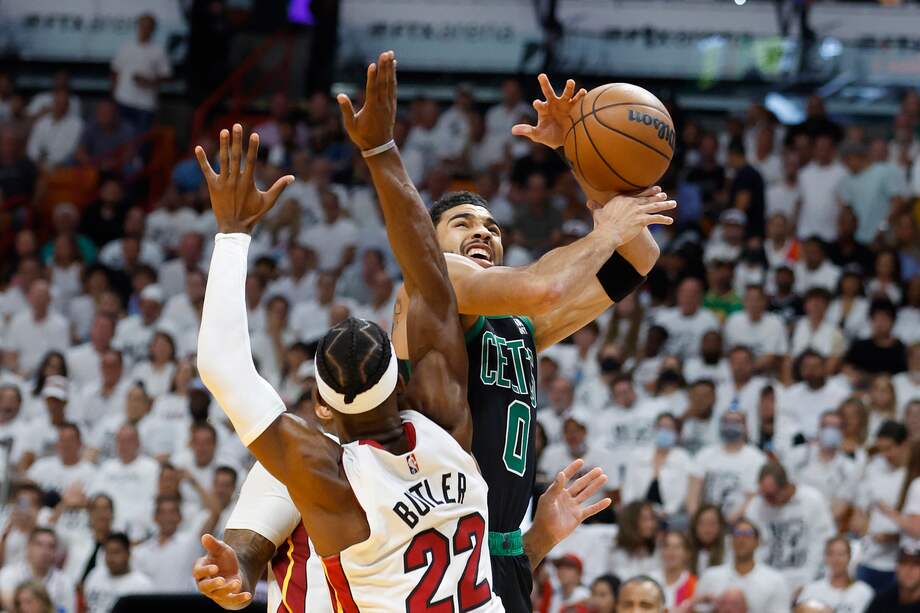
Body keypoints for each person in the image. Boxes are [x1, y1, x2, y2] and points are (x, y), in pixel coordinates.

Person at [198, 66, 669, 611]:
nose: (482, 233)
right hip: (437, 523)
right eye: (462, 223)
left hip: (487, 545)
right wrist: (602, 223)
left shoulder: (516, 327)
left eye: (492, 227)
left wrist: (587, 158)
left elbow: (640, 257)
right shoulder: (442, 286)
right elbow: (545, 285)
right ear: (433, 244)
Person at [193, 84, 512, 610]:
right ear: (401, 382)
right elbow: (432, 282)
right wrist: (380, 149)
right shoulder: (448, 429)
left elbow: (223, 367)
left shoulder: (324, 474)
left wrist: (232, 233)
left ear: (321, 406)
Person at [745, 461, 835, 593]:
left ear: (785, 487)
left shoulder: (811, 499)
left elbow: (822, 543)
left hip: (804, 576)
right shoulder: (756, 506)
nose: (766, 499)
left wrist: (808, 582)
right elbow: (751, 548)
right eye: (762, 493)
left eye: (770, 495)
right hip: (767, 580)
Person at [853, 420, 911, 593]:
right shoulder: (872, 469)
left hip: (904, 562)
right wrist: (865, 530)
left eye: (890, 448)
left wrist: (893, 537)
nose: (885, 454)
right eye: (881, 449)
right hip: (870, 559)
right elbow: (859, 512)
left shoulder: (913, 476)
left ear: (904, 445)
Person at [695, 518, 791, 613]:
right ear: (731, 541)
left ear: (758, 542)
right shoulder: (710, 576)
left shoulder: (775, 580)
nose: (741, 539)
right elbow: (697, 609)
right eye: (737, 534)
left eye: (748, 534)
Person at [688, 411, 768, 521]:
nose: (731, 426)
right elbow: (692, 494)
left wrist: (727, 522)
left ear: (745, 426)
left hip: (740, 521)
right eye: (726, 421)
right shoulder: (704, 454)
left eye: (736, 422)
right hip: (704, 521)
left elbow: (753, 498)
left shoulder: (757, 459)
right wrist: (697, 519)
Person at [111, 13, 171, 132]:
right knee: (122, 140)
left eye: (148, 27)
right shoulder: (126, 47)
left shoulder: (158, 50)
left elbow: (166, 76)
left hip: (146, 104)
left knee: (141, 142)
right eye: (142, 25)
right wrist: (113, 96)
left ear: (153, 30)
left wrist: (150, 82)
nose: (145, 29)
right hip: (123, 99)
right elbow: (115, 72)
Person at [0, 528, 74, 613]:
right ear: (28, 547)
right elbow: (10, 605)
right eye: (39, 545)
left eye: (51, 546)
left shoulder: (65, 581)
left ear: (56, 552)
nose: (45, 551)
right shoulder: (9, 573)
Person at [798, 536, 874, 613]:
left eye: (841, 554)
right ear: (825, 557)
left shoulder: (864, 591)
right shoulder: (811, 590)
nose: (836, 559)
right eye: (831, 554)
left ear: (849, 557)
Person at [82, 532, 153, 613]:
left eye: (116, 552)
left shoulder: (142, 585)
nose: (111, 558)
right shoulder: (95, 575)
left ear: (128, 554)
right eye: (108, 552)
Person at [610, 502, 660, 580]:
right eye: (645, 519)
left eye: (652, 518)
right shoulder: (615, 552)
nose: (651, 524)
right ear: (631, 522)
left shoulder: (658, 549)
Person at [865, 545, 920, 612]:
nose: (909, 569)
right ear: (896, 567)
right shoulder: (882, 601)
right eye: (904, 563)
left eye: (916, 564)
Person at [651, 531, 697, 609]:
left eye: (677, 547)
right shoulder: (649, 580)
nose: (671, 552)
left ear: (687, 553)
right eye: (667, 547)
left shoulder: (694, 584)